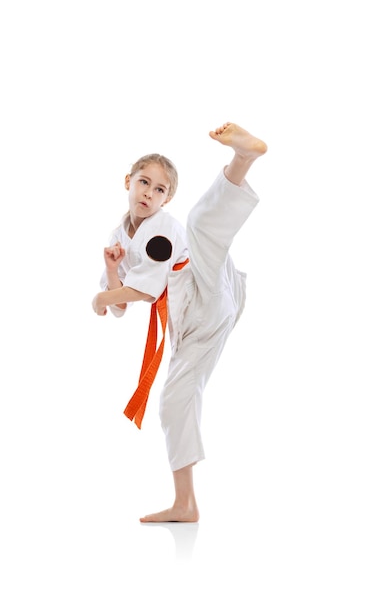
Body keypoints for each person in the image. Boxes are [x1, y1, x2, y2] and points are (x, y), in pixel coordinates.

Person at [92, 122, 268, 522]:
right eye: (144, 182)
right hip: (198, 322)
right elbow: (119, 308)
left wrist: (101, 295)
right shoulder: (120, 235)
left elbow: (141, 294)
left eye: (159, 190)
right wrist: (111, 272)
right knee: (174, 402)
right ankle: (185, 503)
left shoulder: (163, 231)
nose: (149, 193)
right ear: (128, 181)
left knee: (202, 225)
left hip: (206, 290)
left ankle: (244, 157)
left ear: (166, 198)